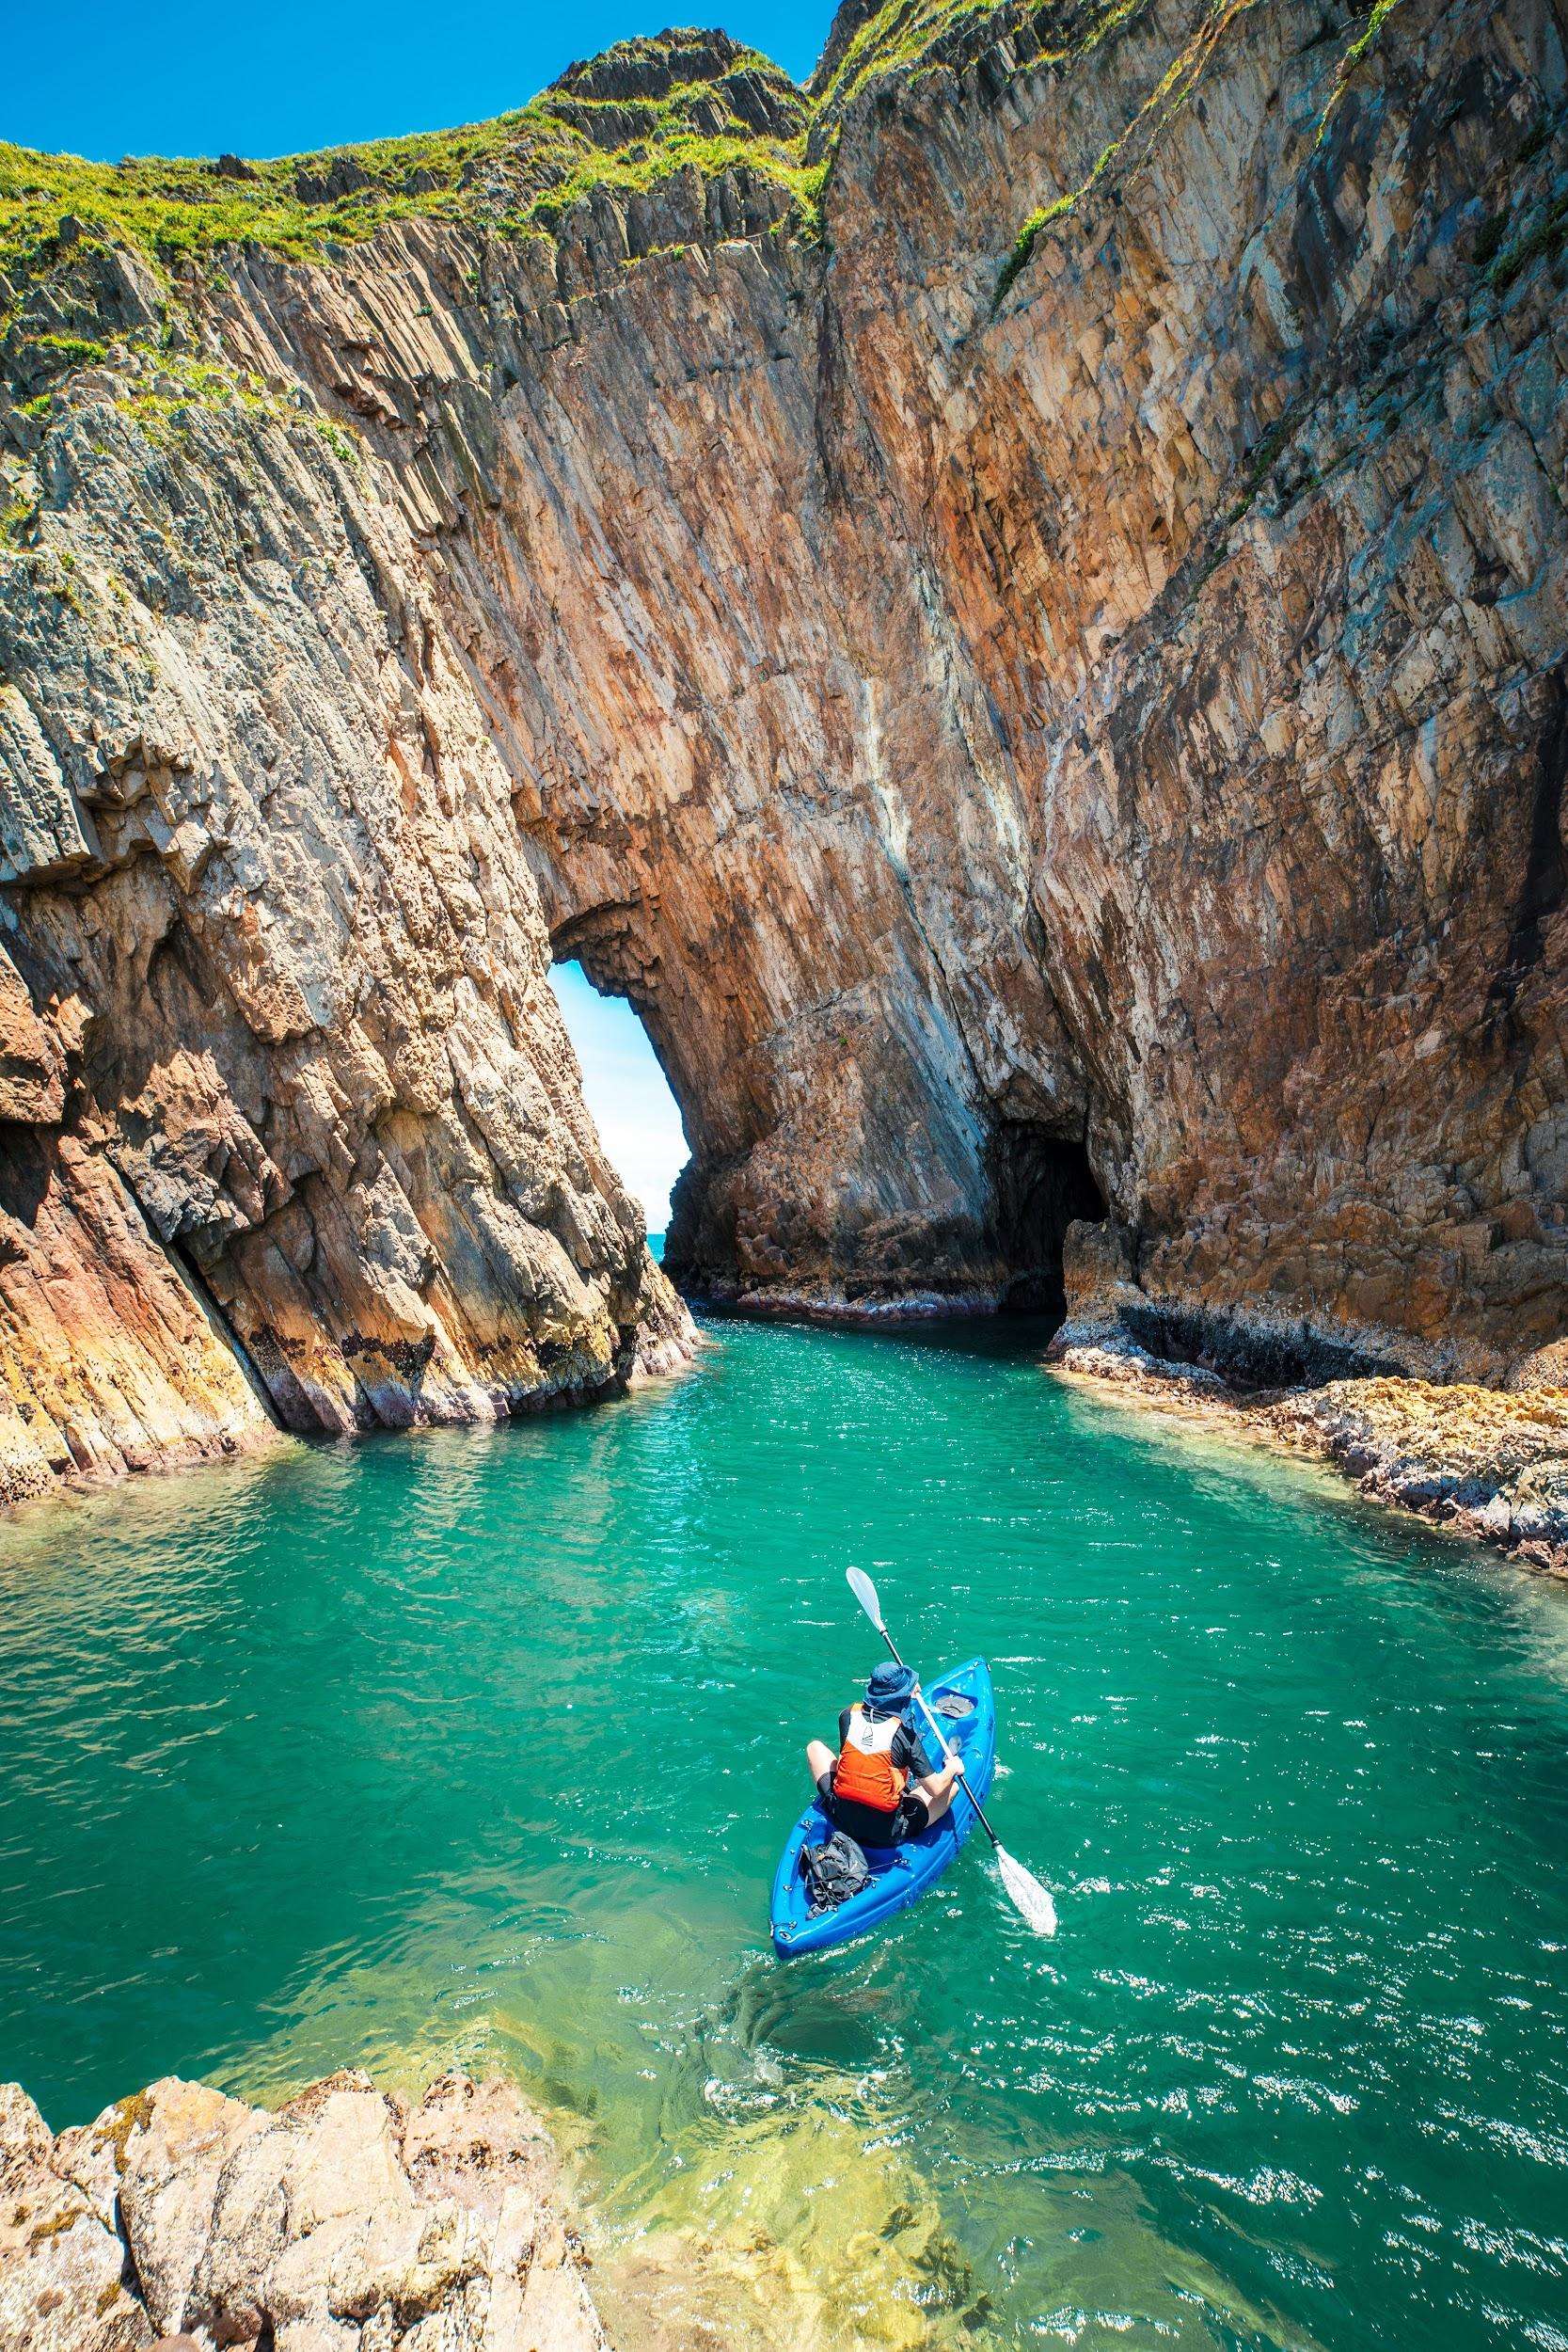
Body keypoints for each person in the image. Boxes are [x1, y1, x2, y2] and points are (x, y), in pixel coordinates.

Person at [805, 1661, 965, 1849]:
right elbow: (936, 1789)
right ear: (902, 1697)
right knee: (951, 1788)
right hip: (885, 1832)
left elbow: (848, 1758)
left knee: (814, 1747)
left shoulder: (848, 1715)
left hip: (841, 1815)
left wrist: (907, 1692)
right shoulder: (906, 1737)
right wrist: (953, 1768)